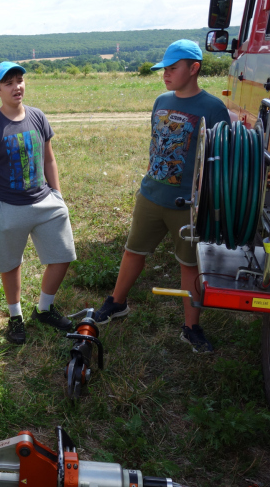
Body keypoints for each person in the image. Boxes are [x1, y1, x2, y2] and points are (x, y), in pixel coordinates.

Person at [94, 39, 231, 354]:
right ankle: (117, 303)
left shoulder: (213, 108)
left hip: (188, 204)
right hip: (151, 196)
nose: (166, 75)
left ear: (194, 68)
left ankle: (191, 328)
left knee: (188, 265)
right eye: (164, 69)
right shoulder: (161, 100)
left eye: (173, 68)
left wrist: (206, 199)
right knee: (133, 251)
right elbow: (157, 145)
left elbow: (220, 160)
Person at [0, 61, 77, 345]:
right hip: (9, 206)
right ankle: (15, 316)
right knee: (11, 264)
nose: (16, 87)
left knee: (62, 255)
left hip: (46, 201)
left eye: (19, 80)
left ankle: (44, 309)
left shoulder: (38, 117)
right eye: (8, 83)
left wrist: (57, 194)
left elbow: (48, 158)